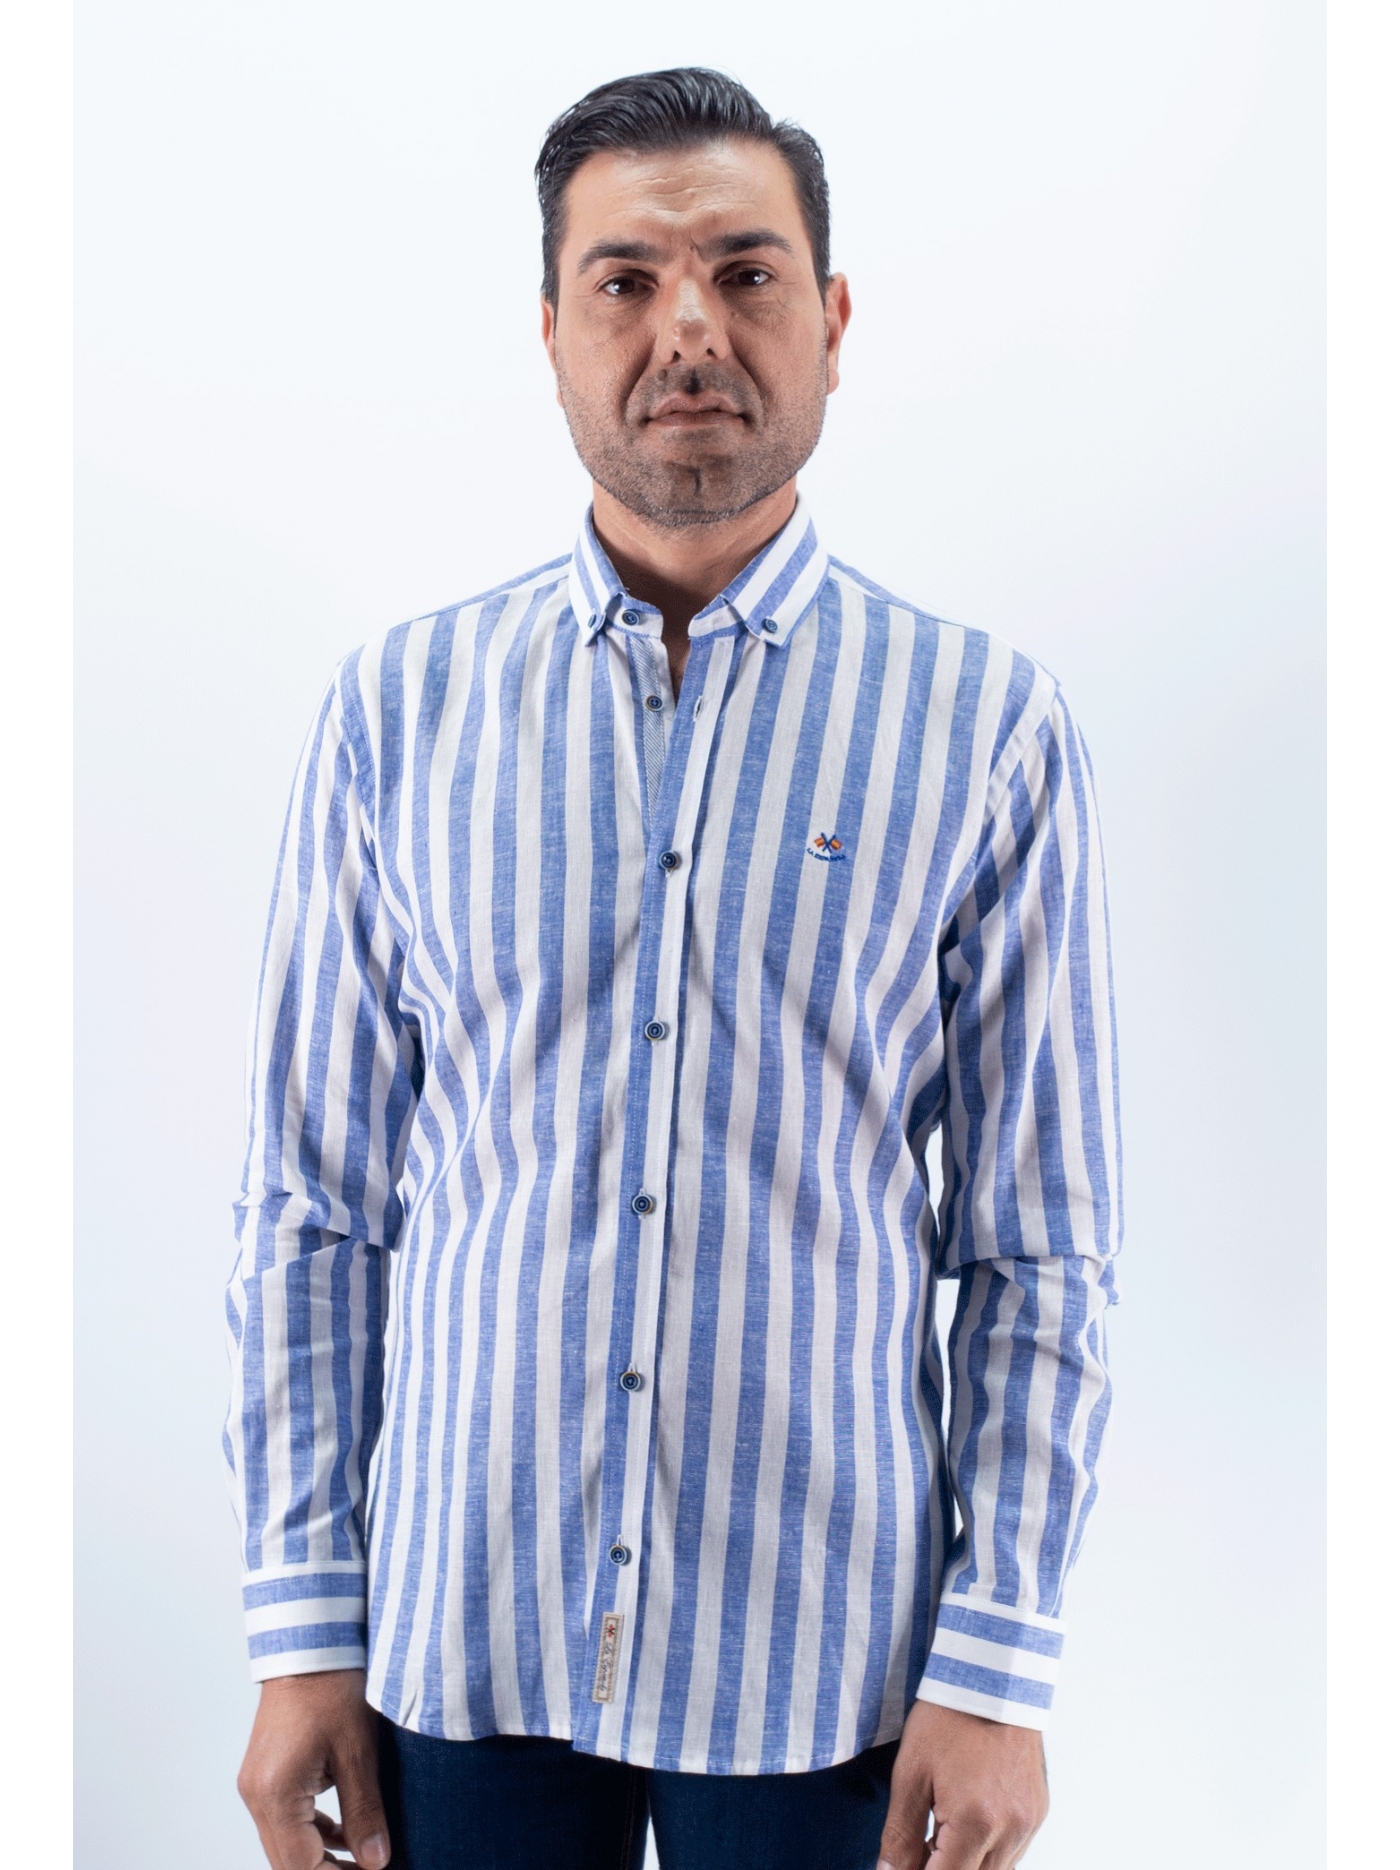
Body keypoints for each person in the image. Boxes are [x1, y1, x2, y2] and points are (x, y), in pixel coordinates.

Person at [226, 67, 1122, 1870]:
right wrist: (302, 1621)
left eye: (746, 271)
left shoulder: (986, 729)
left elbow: (1038, 1245)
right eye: (627, 279)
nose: (689, 327)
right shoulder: (396, 712)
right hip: (463, 1641)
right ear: (552, 329)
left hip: (832, 1664)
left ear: (834, 319)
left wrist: (1001, 1661)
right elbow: (313, 1209)